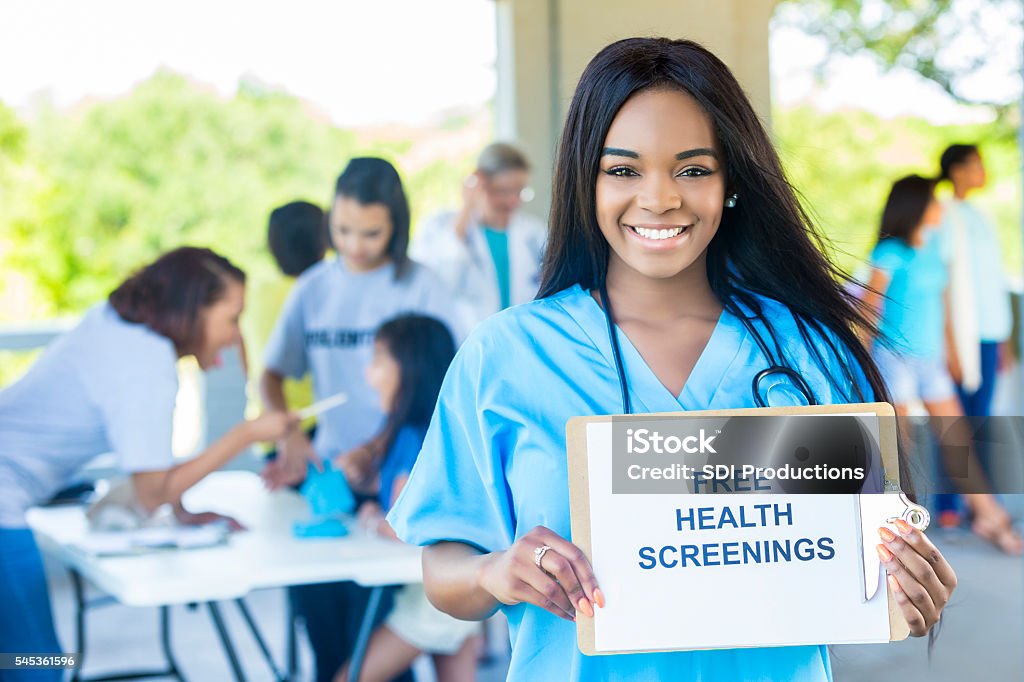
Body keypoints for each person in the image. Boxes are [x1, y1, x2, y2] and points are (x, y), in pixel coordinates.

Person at [386, 38, 956, 681]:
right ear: (585, 180)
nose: (659, 198)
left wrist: (907, 587)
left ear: (732, 182)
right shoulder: (506, 355)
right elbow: (443, 569)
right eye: (623, 170)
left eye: (692, 169)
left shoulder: (804, 349)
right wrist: (493, 571)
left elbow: (861, 565)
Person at [0, 247, 298, 677]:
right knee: (38, 666)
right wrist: (246, 433)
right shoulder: (145, 363)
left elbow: (150, 467)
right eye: (231, 319)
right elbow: (150, 491)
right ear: (193, 309)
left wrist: (181, 509)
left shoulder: (120, 327)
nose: (236, 336)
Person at [259, 157, 458, 682]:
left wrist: (383, 454)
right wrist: (292, 439)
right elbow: (273, 373)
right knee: (328, 633)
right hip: (330, 474)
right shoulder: (313, 287)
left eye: (370, 233)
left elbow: (448, 380)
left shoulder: (423, 285)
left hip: (397, 477)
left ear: (396, 223)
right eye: (342, 230)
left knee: (384, 640)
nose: (354, 245)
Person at [864, 175, 1022, 555]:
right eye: (934, 202)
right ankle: (892, 528)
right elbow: (869, 308)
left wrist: (953, 351)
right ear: (916, 206)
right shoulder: (888, 254)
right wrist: (861, 365)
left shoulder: (934, 250)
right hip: (893, 357)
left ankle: (989, 517)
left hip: (931, 359)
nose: (940, 209)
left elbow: (946, 307)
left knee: (957, 441)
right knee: (899, 445)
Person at [334, 314, 478, 682]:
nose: (369, 374)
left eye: (379, 359)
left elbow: (405, 528)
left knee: (351, 677)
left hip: (435, 599)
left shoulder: (415, 436)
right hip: (462, 587)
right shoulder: (436, 429)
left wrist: (369, 517)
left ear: (410, 366)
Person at [933, 144, 1016, 530]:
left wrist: (1004, 338)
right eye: (977, 165)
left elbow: (992, 280)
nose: (984, 171)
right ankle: (949, 501)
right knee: (955, 418)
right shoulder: (944, 213)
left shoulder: (982, 215)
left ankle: (980, 501)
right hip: (961, 337)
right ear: (959, 170)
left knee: (979, 416)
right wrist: (949, 343)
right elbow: (945, 283)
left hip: (989, 333)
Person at [410, 142, 546, 332]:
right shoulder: (442, 227)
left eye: (519, 191)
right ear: (478, 183)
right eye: (503, 191)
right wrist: (467, 208)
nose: (513, 201)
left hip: (521, 339)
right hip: (468, 342)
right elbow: (439, 281)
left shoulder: (535, 233)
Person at [242, 201, 327, 436]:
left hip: (265, 422)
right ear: (324, 242)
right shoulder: (320, 293)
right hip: (311, 425)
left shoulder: (253, 294)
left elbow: (246, 359)